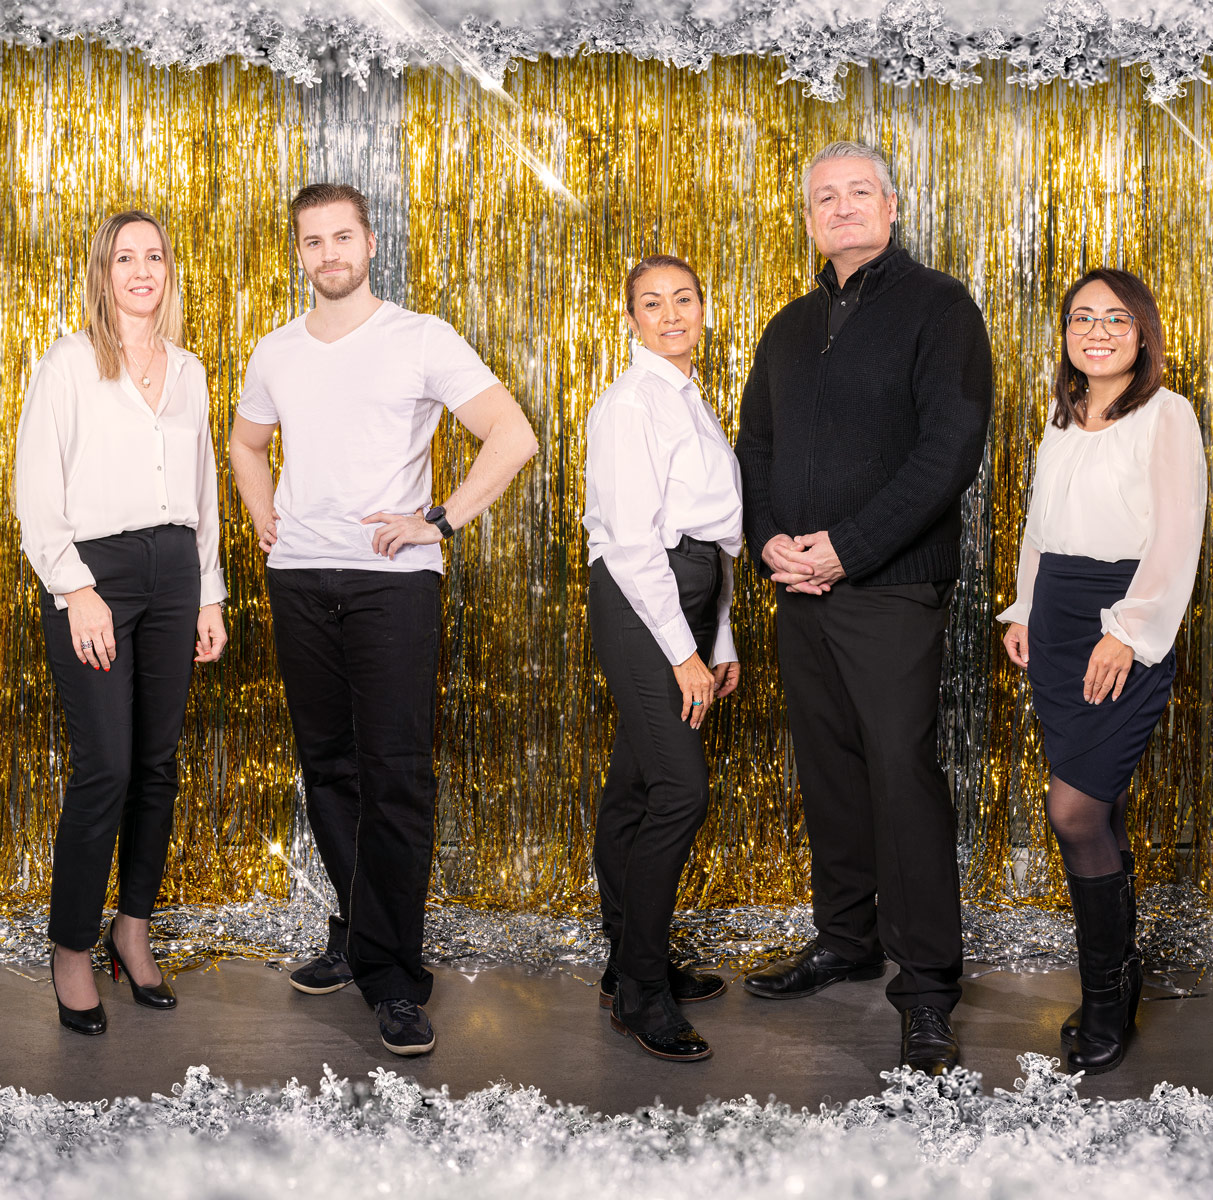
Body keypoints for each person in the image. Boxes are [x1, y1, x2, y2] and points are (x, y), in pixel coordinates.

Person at [227, 183, 539, 1056]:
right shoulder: (275, 351)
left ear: (370, 244)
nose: (329, 253)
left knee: (394, 775)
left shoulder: (420, 337)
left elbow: (512, 434)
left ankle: (394, 978)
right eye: (313, 240)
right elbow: (247, 444)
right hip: (298, 579)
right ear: (299, 252)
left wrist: (441, 520)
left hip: (391, 582)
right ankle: (361, 932)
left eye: (343, 237)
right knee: (329, 769)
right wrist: (262, 515)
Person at [734, 140, 993, 1074]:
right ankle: (846, 938)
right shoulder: (789, 326)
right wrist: (769, 540)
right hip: (798, 587)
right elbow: (755, 446)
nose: (840, 208)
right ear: (809, 219)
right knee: (830, 772)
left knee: (899, 775)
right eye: (823, 198)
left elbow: (949, 450)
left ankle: (925, 987)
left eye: (857, 193)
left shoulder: (941, 307)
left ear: (891, 206)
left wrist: (848, 547)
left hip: (889, 587)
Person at [15, 210, 229, 1035]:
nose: (142, 271)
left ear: (168, 271)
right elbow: (36, 486)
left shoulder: (191, 370)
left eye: (155, 257)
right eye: (125, 258)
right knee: (104, 765)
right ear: (103, 273)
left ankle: (130, 930)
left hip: (175, 570)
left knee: (157, 764)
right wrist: (75, 588)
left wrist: (208, 592)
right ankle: (71, 947)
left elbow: (203, 489)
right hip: (95, 575)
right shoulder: (69, 363)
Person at [997, 268, 1206, 1075]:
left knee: (1075, 809)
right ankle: (1116, 979)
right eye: (1082, 318)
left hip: (1122, 617)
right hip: (1055, 621)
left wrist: (1127, 631)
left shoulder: (1167, 413)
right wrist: (1023, 607)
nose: (1098, 331)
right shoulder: (1062, 414)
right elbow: (1039, 525)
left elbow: (1177, 535)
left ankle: (1108, 997)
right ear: (1066, 335)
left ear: (1143, 333)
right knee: (1100, 808)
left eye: (1116, 319)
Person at [584, 255, 740, 1062]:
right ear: (630, 319)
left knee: (637, 786)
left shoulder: (688, 397)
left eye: (684, 298)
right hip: (640, 596)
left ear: (703, 309)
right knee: (681, 790)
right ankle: (641, 992)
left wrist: (720, 638)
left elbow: (712, 531)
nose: (671, 314)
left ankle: (627, 961)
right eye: (652, 302)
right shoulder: (630, 404)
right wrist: (684, 654)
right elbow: (633, 544)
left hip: (688, 593)